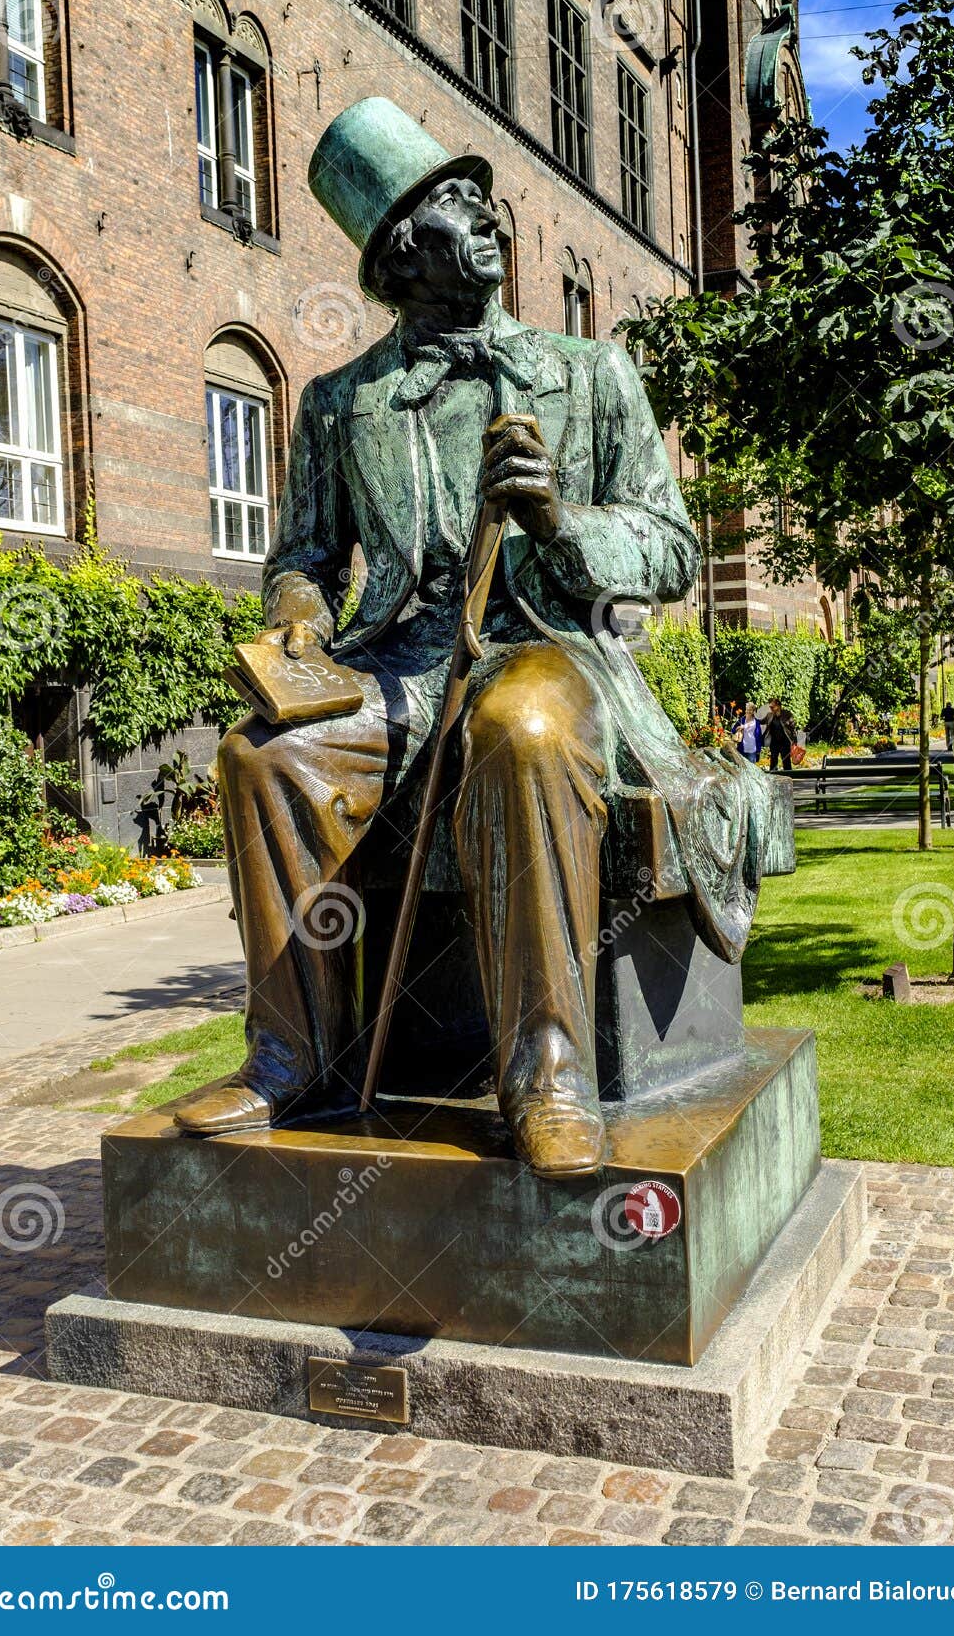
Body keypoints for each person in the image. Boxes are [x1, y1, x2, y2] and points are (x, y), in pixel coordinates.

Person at [171, 98, 773, 1179]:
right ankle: (289, 1054)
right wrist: (298, 619)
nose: (488, 217)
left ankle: (545, 1071)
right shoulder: (339, 402)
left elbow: (671, 549)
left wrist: (559, 522)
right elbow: (303, 556)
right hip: (394, 668)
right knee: (262, 754)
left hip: (553, 651)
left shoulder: (590, 376)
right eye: (457, 203)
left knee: (523, 722)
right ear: (401, 253)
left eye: (485, 198)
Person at [765, 697, 797, 773]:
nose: (771, 708)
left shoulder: (787, 714)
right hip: (774, 742)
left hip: (785, 742)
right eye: (770, 707)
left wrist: (794, 741)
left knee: (786, 761)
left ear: (778, 706)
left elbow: (793, 729)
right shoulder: (769, 715)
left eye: (772, 707)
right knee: (773, 761)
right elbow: (761, 721)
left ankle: (789, 776)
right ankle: (773, 777)